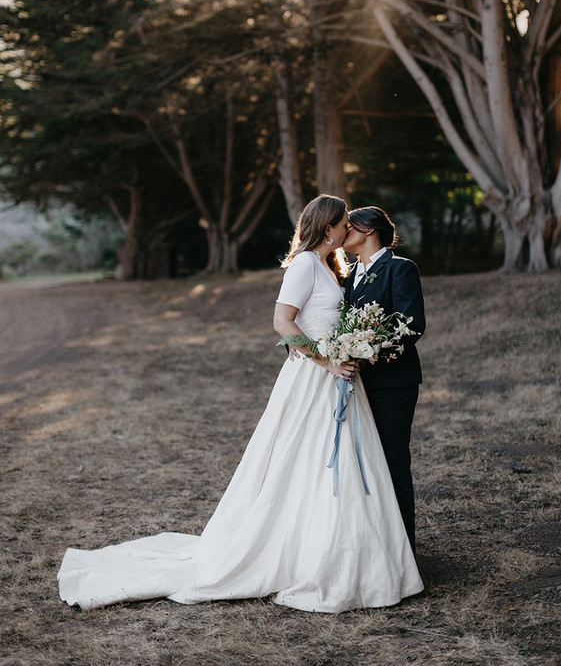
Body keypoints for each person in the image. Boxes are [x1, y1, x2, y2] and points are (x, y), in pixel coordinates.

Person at [57, 194, 422, 613]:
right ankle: (304, 553)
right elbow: (282, 322)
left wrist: (342, 352)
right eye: (343, 223)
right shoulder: (305, 264)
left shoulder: (333, 267)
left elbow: (328, 321)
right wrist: (325, 359)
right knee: (305, 461)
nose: (346, 229)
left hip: (340, 380)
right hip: (318, 377)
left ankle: (348, 550)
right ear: (328, 228)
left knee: (335, 465)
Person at [343, 206, 425, 555]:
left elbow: (411, 324)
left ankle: (403, 550)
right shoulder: (350, 275)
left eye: (350, 226)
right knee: (364, 462)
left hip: (392, 383)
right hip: (356, 385)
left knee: (392, 461)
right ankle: (374, 545)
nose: (344, 232)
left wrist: (365, 351)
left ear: (370, 229)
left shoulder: (400, 268)